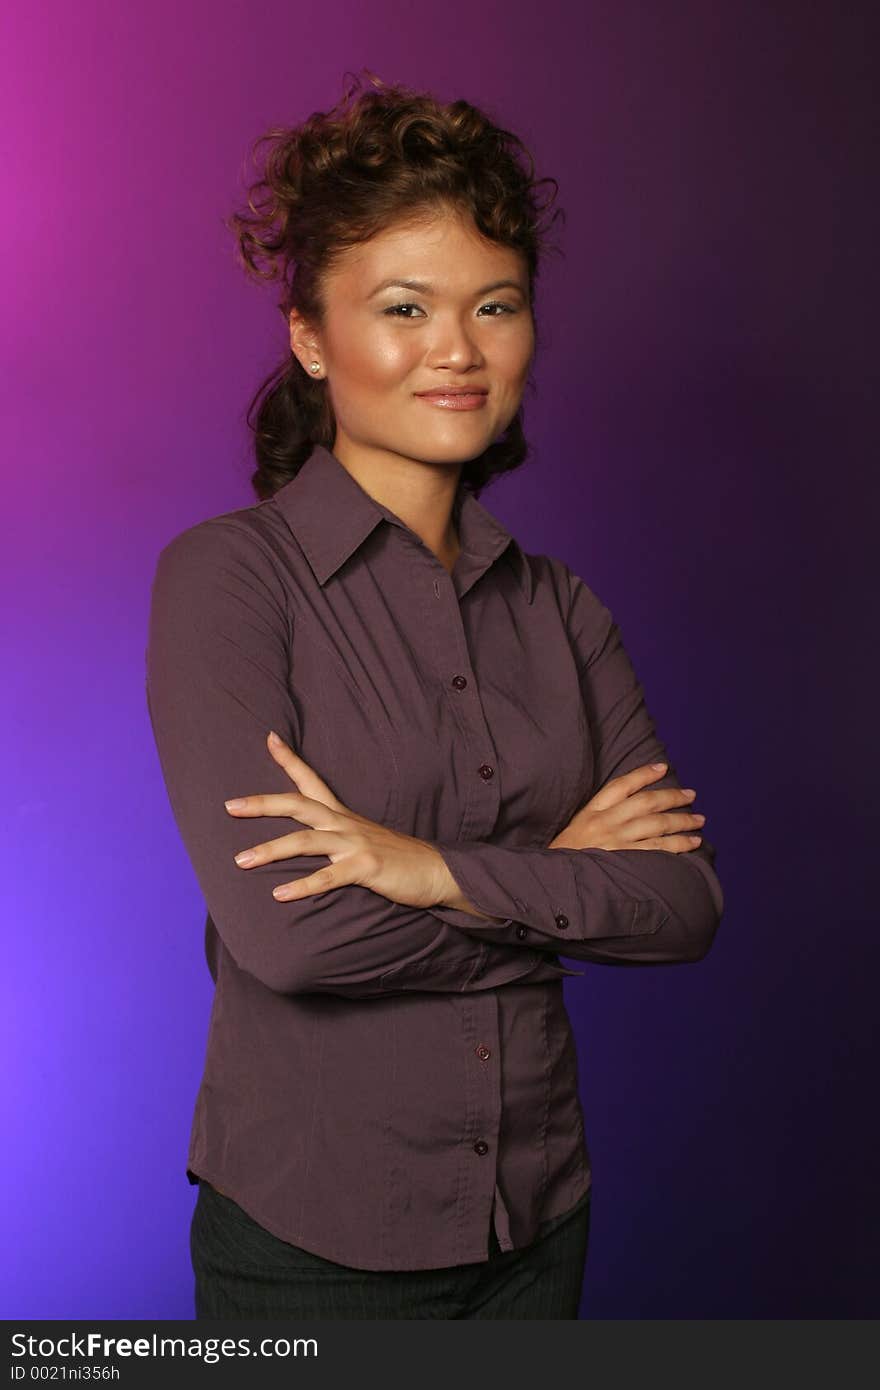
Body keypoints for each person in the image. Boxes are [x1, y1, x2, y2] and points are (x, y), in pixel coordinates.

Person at [145, 70, 724, 1320]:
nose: (457, 350)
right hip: (312, 1241)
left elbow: (682, 904)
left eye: (495, 305)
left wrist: (427, 867)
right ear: (311, 335)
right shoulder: (230, 580)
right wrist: (555, 879)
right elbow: (289, 939)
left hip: (539, 1221)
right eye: (403, 306)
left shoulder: (559, 608)